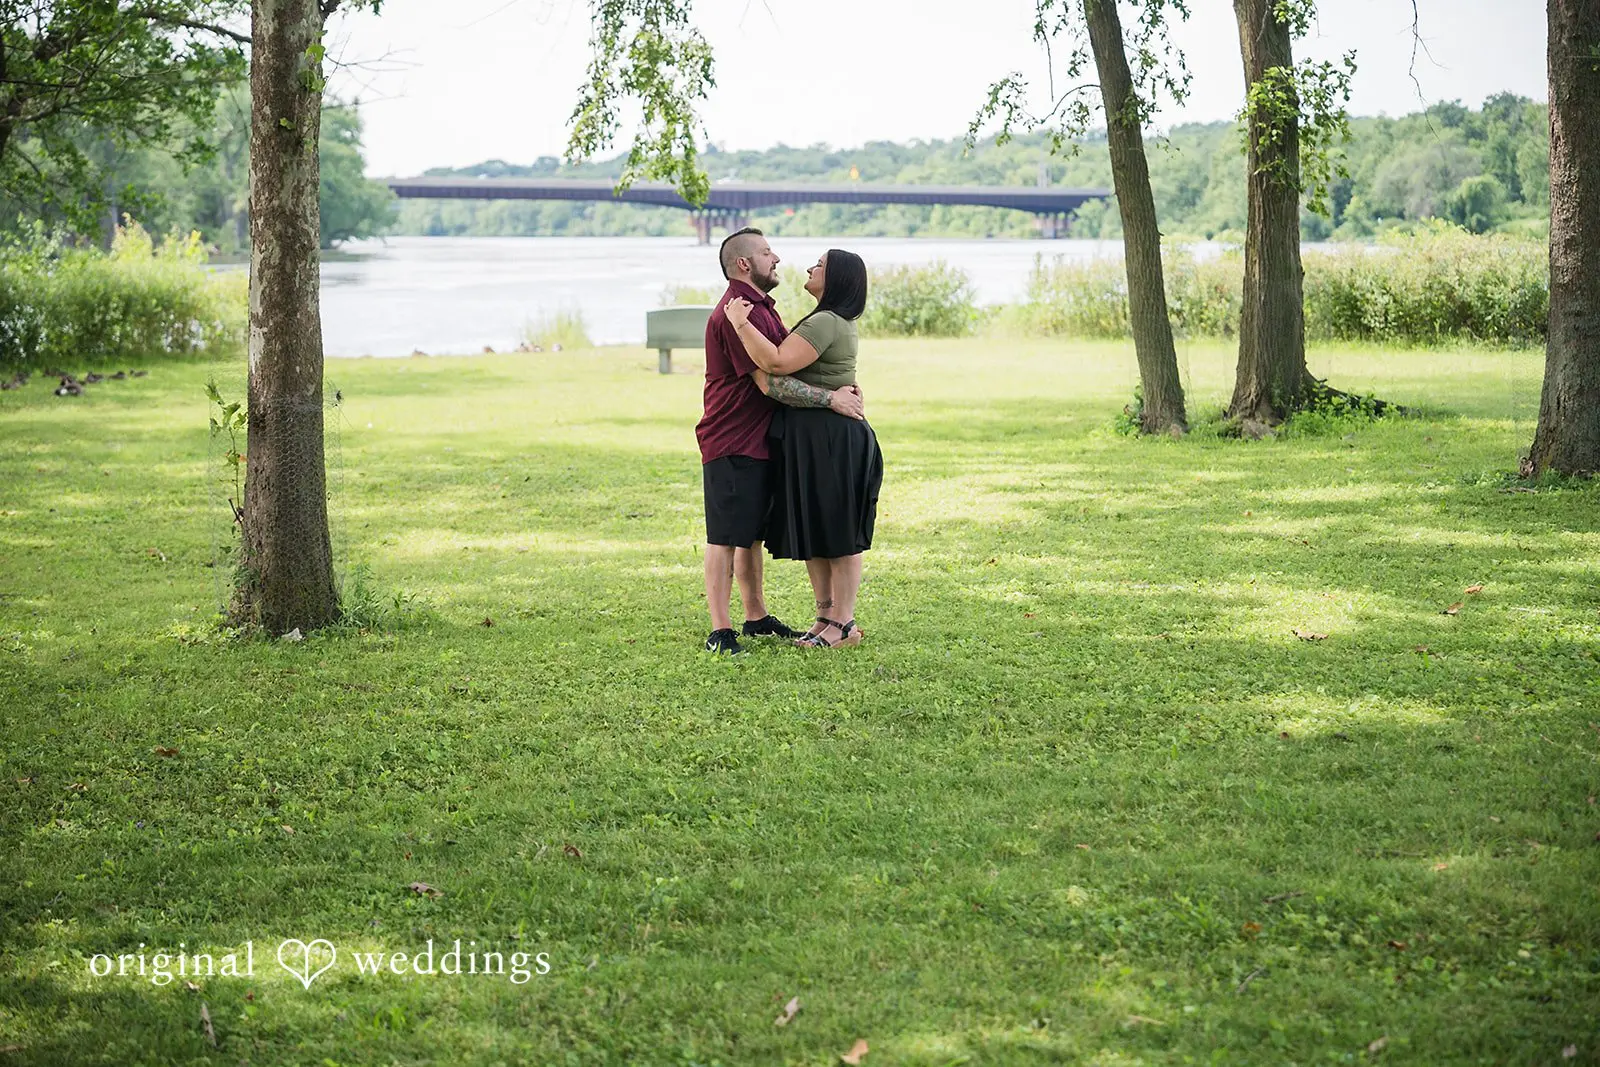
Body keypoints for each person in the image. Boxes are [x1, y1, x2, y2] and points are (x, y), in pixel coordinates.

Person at [695, 228, 864, 654]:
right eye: (768, 252)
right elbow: (771, 380)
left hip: (765, 439)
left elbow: (798, 363)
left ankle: (756, 617)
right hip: (733, 437)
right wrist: (833, 397)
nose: (779, 258)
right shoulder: (737, 312)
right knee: (724, 536)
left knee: (749, 534)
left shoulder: (762, 309)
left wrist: (842, 383)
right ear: (744, 264)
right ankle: (721, 629)